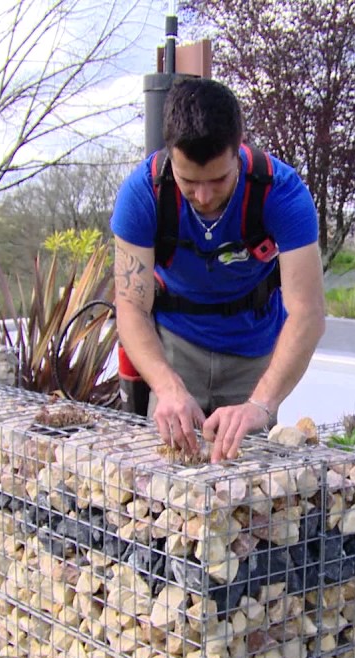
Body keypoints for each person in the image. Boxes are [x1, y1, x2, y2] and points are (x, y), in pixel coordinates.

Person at [111, 77, 325, 464]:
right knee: (168, 478)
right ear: (170, 155)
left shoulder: (283, 193)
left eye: (219, 180)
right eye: (189, 181)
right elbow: (130, 306)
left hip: (254, 350)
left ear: (238, 149)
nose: (204, 196)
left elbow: (307, 313)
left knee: (251, 486)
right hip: (175, 349)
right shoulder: (142, 195)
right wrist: (167, 386)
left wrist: (261, 404)